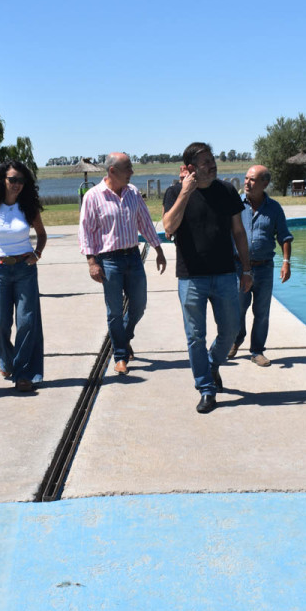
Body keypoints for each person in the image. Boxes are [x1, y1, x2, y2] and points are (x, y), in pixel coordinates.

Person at [162, 142, 252, 414]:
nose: (213, 166)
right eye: (206, 163)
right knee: (195, 336)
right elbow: (168, 227)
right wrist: (185, 192)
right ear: (191, 168)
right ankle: (206, 388)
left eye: (213, 161)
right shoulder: (175, 192)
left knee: (231, 330)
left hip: (225, 274)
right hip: (191, 278)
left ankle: (212, 366)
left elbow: (238, 232)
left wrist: (246, 269)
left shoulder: (226, 191)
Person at [79, 152, 166, 375]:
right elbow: (86, 232)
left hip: (133, 257)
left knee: (139, 305)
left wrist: (158, 249)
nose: (132, 172)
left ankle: (125, 338)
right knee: (115, 311)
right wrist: (92, 262)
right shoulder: (93, 196)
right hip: (109, 261)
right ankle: (120, 356)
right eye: (128, 168)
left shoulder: (133, 192)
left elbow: (145, 222)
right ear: (112, 171)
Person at [0, 160, 47, 392]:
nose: (17, 184)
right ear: (2, 180)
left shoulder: (28, 207)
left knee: (27, 322)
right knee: (0, 324)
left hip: (25, 269)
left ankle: (23, 374)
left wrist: (37, 253)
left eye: (21, 180)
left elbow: (42, 234)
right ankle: (6, 358)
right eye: (12, 179)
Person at [229, 165, 293, 367]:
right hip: (239, 268)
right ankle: (236, 340)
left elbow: (284, 236)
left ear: (265, 183)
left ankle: (257, 351)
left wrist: (286, 262)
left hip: (264, 268)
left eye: (252, 179)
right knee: (238, 309)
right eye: (246, 178)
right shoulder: (235, 205)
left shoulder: (274, 208)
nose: (247, 183)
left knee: (262, 312)